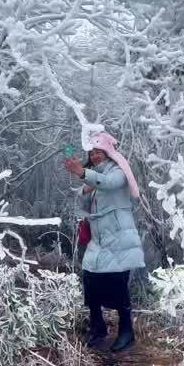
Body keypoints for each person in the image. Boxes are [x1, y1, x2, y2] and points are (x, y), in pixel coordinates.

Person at [63, 132, 144, 353]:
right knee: (90, 279)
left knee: (118, 286)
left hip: (119, 238)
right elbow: (87, 193)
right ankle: (98, 326)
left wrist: (82, 173)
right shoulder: (95, 174)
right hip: (100, 241)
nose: (95, 155)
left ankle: (127, 332)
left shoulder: (118, 171)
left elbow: (108, 183)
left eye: (99, 151)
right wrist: (83, 183)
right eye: (92, 152)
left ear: (108, 152)